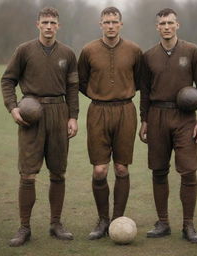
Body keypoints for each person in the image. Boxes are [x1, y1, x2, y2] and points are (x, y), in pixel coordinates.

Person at [1, 7, 79, 247]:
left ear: (58, 26)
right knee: (28, 173)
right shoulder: (24, 51)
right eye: (44, 22)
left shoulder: (68, 53)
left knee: (58, 172)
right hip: (30, 113)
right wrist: (13, 107)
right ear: (37, 25)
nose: (48, 26)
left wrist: (73, 116)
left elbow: (72, 88)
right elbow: (8, 80)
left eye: (52, 22)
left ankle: (56, 224)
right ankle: (24, 227)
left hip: (59, 112)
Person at [139, 8, 197, 243]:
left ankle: (188, 226)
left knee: (188, 171)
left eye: (170, 22)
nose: (166, 27)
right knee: (159, 171)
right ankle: (163, 222)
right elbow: (145, 93)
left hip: (185, 118)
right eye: (162, 23)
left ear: (177, 25)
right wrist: (144, 120)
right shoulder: (148, 56)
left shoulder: (191, 51)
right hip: (157, 115)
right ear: (157, 27)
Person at [78, 6, 142, 240]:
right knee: (99, 169)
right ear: (100, 24)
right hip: (98, 111)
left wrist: (120, 94)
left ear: (121, 24)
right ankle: (103, 219)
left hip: (126, 110)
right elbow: (81, 82)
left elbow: (140, 81)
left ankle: (117, 218)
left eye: (115, 21)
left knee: (122, 167)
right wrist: (100, 94)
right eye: (107, 22)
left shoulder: (134, 50)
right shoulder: (88, 50)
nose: (111, 25)